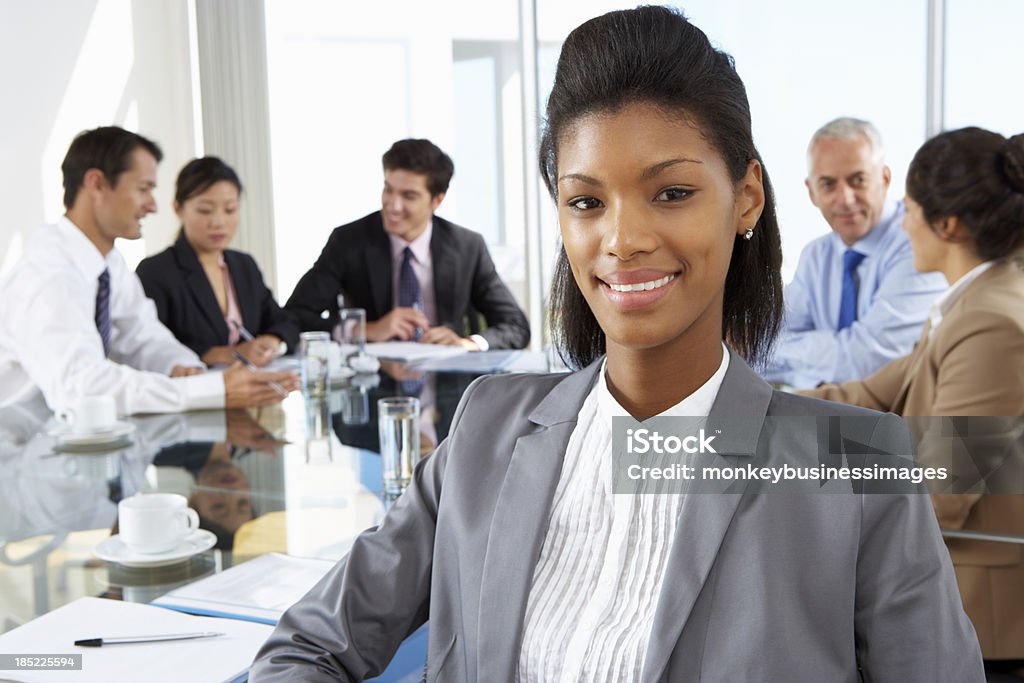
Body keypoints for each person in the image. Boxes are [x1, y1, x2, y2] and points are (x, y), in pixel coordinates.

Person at [250, 8, 981, 682]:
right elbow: (306, 646)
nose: (622, 240)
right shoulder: (488, 427)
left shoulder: (858, 471)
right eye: (586, 201)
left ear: (746, 197)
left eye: (671, 193)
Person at [804, 127, 1024, 664]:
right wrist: (764, 412)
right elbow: (878, 390)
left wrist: (795, 462)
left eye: (909, 209)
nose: (900, 224)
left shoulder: (992, 320)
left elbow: (940, 488)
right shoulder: (969, 302)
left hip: (982, 618)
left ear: (946, 224)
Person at [0, 127, 298, 416]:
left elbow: (144, 336)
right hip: (19, 446)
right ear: (97, 184)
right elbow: (82, 389)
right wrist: (209, 389)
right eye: (144, 189)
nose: (153, 206)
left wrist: (184, 368)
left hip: (65, 438)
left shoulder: (108, 264)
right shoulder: (49, 275)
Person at [283, 139, 530, 351]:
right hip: (372, 383)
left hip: (448, 389)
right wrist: (365, 330)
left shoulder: (467, 246)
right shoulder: (349, 241)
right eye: (388, 190)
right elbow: (295, 315)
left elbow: (516, 326)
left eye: (408, 196)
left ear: (437, 200)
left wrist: (468, 343)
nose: (393, 205)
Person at [762, 118, 946, 388]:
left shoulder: (917, 244)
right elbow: (760, 341)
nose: (845, 199)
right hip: (833, 420)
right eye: (828, 184)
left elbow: (868, 360)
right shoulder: (816, 256)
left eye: (857, 180)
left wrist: (782, 354)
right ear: (812, 192)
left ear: (884, 179)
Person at [136, 157, 299, 367]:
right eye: (205, 210)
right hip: (194, 392)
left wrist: (274, 340)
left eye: (230, 210)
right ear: (178, 209)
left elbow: (286, 322)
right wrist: (220, 354)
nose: (219, 222)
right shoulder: (156, 272)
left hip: (250, 390)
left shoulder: (244, 265)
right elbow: (146, 348)